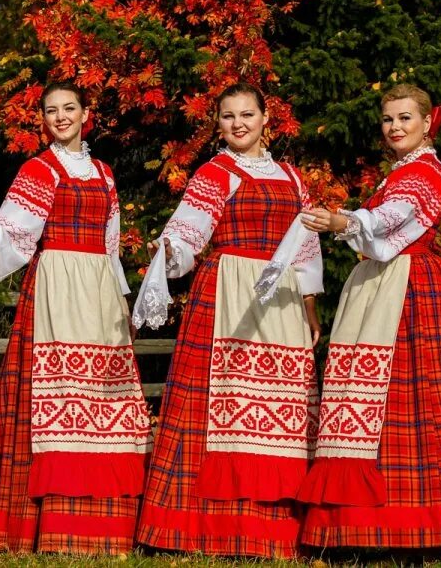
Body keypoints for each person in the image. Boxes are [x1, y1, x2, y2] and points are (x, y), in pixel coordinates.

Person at [296, 83, 441, 551]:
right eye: (388, 119)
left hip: (409, 290)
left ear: (428, 122)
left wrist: (343, 221)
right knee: (373, 397)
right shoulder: (402, 171)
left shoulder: (426, 173)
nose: (395, 127)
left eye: (406, 118)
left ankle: (414, 523)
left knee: (408, 396)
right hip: (384, 283)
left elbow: (391, 219)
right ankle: (364, 525)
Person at [132, 82, 325, 560]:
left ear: (266, 119)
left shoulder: (292, 178)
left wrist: (310, 308)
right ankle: (211, 528)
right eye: (227, 116)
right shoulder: (216, 172)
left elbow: (304, 250)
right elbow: (186, 232)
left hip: (279, 298)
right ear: (217, 124)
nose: (238, 123)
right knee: (225, 406)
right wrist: (170, 251)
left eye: (246, 114)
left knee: (280, 408)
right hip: (228, 294)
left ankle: (276, 529)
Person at [0, 81, 152, 555]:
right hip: (55, 287)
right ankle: (43, 524)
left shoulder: (105, 173)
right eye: (52, 110)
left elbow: (111, 246)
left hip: (99, 291)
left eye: (70, 108)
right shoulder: (39, 169)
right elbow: (13, 229)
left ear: (87, 113)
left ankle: (109, 527)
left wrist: (121, 300)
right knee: (57, 394)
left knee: (105, 401)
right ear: (43, 119)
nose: (61, 116)